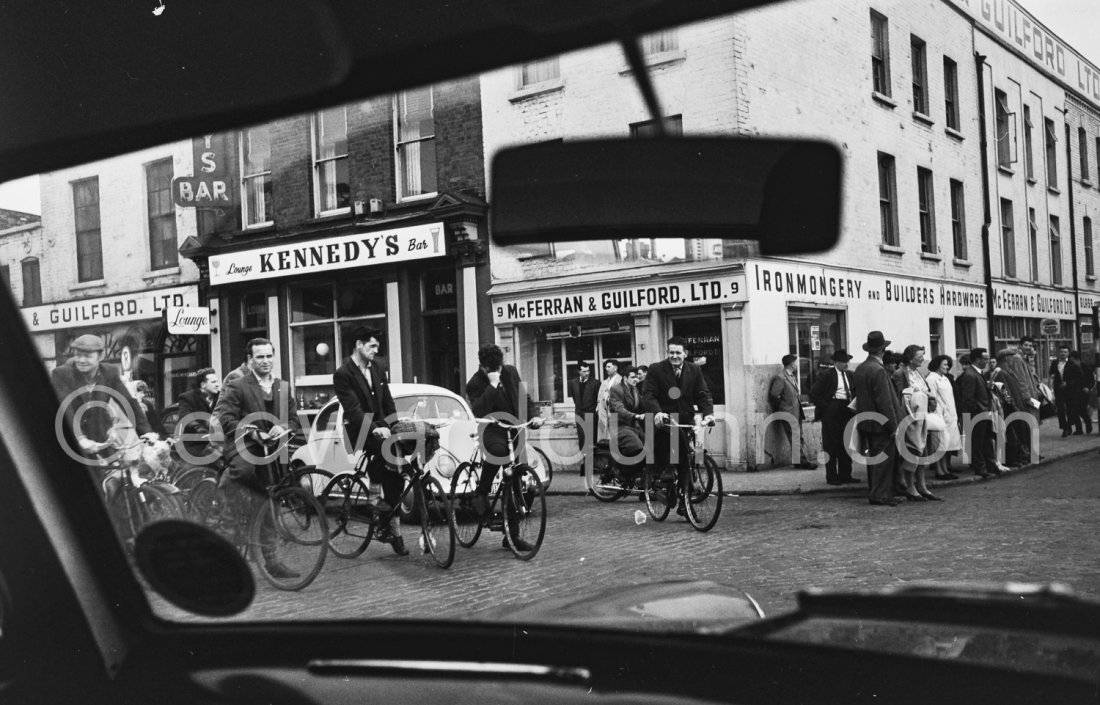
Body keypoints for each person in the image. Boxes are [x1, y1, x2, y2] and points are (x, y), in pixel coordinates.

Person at [213, 338, 302, 578]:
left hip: (273, 450)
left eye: (269, 356)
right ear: (250, 360)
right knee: (242, 472)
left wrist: (282, 428)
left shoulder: (283, 387)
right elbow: (226, 418)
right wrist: (253, 431)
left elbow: (294, 419)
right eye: (259, 357)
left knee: (271, 501)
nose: (265, 361)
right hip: (245, 445)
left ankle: (272, 562)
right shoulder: (238, 385)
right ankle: (226, 491)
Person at [332, 327, 407, 556]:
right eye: (372, 346)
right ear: (358, 345)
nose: (377, 350)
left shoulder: (378, 367)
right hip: (361, 430)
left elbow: (388, 401)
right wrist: (375, 429)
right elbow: (353, 410)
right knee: (388, 458)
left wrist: (394, 425)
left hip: (382, 429)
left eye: (377, 346)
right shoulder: (343, 373)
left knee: (399, 470)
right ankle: (379, 508)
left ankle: (387, 519)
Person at [465, 343, 543, 551]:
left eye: (499, 367)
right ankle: (482, 491)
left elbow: (523, 397)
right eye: (492, 369)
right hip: (492, 430)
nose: (498, 372)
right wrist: (491, 386)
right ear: (482, 367)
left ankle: (512, 536)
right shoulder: (475, 383)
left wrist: (534, 415)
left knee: (516, 479)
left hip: (514, 428)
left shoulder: (510, 372)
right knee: (499, 453)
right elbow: (479, 411)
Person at [641, 336, 715, 515]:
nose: (674, 356)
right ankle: (665, 477)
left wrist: (708, 414)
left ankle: (684, 501)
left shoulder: (694, 370)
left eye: (678, 352)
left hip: (684, 420)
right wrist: (657, 412)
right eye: (671, 352)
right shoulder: (656, 369)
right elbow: (648, 395)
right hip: (663, 421)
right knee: (675, 454)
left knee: (689, 457)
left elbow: (703, 394)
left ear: (685, 353)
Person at [51, 334, 156, 459]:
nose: (81, 360)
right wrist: (79, 438)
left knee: (117, 475)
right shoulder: (62, 374)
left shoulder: (110, 373)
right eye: (78, 355)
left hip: (100, 439)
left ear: (100, 357)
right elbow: (66, 409)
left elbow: (128, 402)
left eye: (88, 356)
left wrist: (147, 433)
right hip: (68, 441)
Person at [851, 331, 906, 507]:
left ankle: (878, 492)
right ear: (882, 350)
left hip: (867, 421)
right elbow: (885, 401)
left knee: (874, 460)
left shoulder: (860, 368)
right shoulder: (879, 370)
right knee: (884, 460)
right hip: (881, 424)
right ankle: (880, 494)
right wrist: (893, 426)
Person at [896, 345, 940, 501]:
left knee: (922, 454)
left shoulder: (918, 373)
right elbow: (900, 396)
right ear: (909, 358)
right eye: (920, 356)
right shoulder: (900, 374)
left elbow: (925, 391)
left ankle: (922, 485)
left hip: (923, 419)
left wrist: (930, 398)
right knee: (912, 453)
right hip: (910, 420)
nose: (923, 358)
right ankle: (910, 486)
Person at [810, 349, 858, 485]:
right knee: (831, 444)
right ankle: (831, 476)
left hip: (847, 409)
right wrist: (826, 407)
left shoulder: (850, 375)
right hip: (832, 409)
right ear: (836, 363)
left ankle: (846, 474)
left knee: (846, 443)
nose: (845, 364)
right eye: (843, 362)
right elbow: (814, 393)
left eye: (846, 362)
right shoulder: (827, 375)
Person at [993, 347, 1040, 467]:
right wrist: (1014, 405)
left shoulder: (1008, 371)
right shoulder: (1001, 372)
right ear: (1006, 359)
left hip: (1016, 406)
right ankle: (1013, 459)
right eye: (1010, 358)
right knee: (1012, 434)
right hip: (1010, 409)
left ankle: (1020, 456)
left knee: (1018, 432)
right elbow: (1005, 391)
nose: (1012, 360)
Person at [767, 354, 815, 469]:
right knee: (794, 436)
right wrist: (783, 406)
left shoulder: (791, 376)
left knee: (797, 436)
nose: (797, 365)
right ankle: (802, 462)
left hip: (796, 411)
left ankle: (798, 461)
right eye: (796, 362)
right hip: (788, 412)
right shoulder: (781, 377)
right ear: (792, 364)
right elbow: (774, 395)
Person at [956, 347, 998, 479]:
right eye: (984, 359)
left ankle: (989, 466)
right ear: (977, 360)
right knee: (978, 442)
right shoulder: (970, 374)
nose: (987, 361)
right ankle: (981, 468)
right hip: (977, 414)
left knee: (985, 440)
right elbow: (968, 398)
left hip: (983, 412)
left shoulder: (977, 373)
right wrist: (978, 411)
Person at [925, 355, 960, 480]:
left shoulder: (945, 378)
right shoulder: (931, 378)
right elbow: (933, 399)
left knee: (947, 445)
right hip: (939, 415)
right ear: (937, 364)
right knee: (939, 445)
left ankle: (945, 469)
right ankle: (939, 471)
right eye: (944, 364)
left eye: (948, 364)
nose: (947, 367)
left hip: (950, 415)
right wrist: (939, 415)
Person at [607, 365, 647, 474]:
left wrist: (657, 412)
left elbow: (643, 405)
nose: (636, 379)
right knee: (636, 446)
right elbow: (619, 409)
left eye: (637, 377)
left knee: (649, 446)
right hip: (619, 426)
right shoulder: (616, 389)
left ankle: (640, 475)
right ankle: (627, 474)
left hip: (633, 426)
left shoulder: (634, 390)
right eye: (633, 377)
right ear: (625, 378)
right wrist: (635, 416)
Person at [177, 367, 221, 461]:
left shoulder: (221, 397)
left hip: (219, 441)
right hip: (196, 443)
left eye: (217, 382)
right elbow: (186, 417)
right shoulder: (187, 397)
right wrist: (198, 428)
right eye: (213, 382)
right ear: (203, 384)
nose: (217, 385)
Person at [568, 361, 599, 473]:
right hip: (579, 414)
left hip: (590, 413)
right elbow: (575, 398)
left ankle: (591, 464)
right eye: (584, 371)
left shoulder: (595, 383)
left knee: (590, 439)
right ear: (579, 371)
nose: (587, 373)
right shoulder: (573, 383)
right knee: (582, 439)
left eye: (588, 371)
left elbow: (597, 400)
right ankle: (586, 462)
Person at [1049, 344, 1084, 437]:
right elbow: (1052, 373)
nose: (1063, 354)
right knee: (1060, 409)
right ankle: (1065, 428)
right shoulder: (1055, 363)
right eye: (1061, 352)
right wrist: (1053, 379)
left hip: (1070, 390)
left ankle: (1068, 426)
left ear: (1068, 353)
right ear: (1058, 353)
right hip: (1058, 390)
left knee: (1070, 409)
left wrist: (1068, 383)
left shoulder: (1073, 364)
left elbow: (1080, 377)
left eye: (1065, 352)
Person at [1068, 350, 1094, 434]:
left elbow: (1091, 379)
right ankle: (1079, 429)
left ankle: (1088, 424)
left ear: (1073, 358)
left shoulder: (1084, 367)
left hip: (1083, 391)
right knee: (1074, 410)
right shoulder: (1070, 367)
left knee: (1082, 410)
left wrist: (1088, 387)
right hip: (1074, 392)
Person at [596, 358, 621, 443]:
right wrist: (599, 408)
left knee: (614, 435)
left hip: (614, 412)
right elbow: (600, 397)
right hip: (603, 412)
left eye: (609, 366)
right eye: (606, 367)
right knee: (604, 436)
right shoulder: (604, 382)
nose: (606, 369)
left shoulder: (620, 381)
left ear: (615, 368)